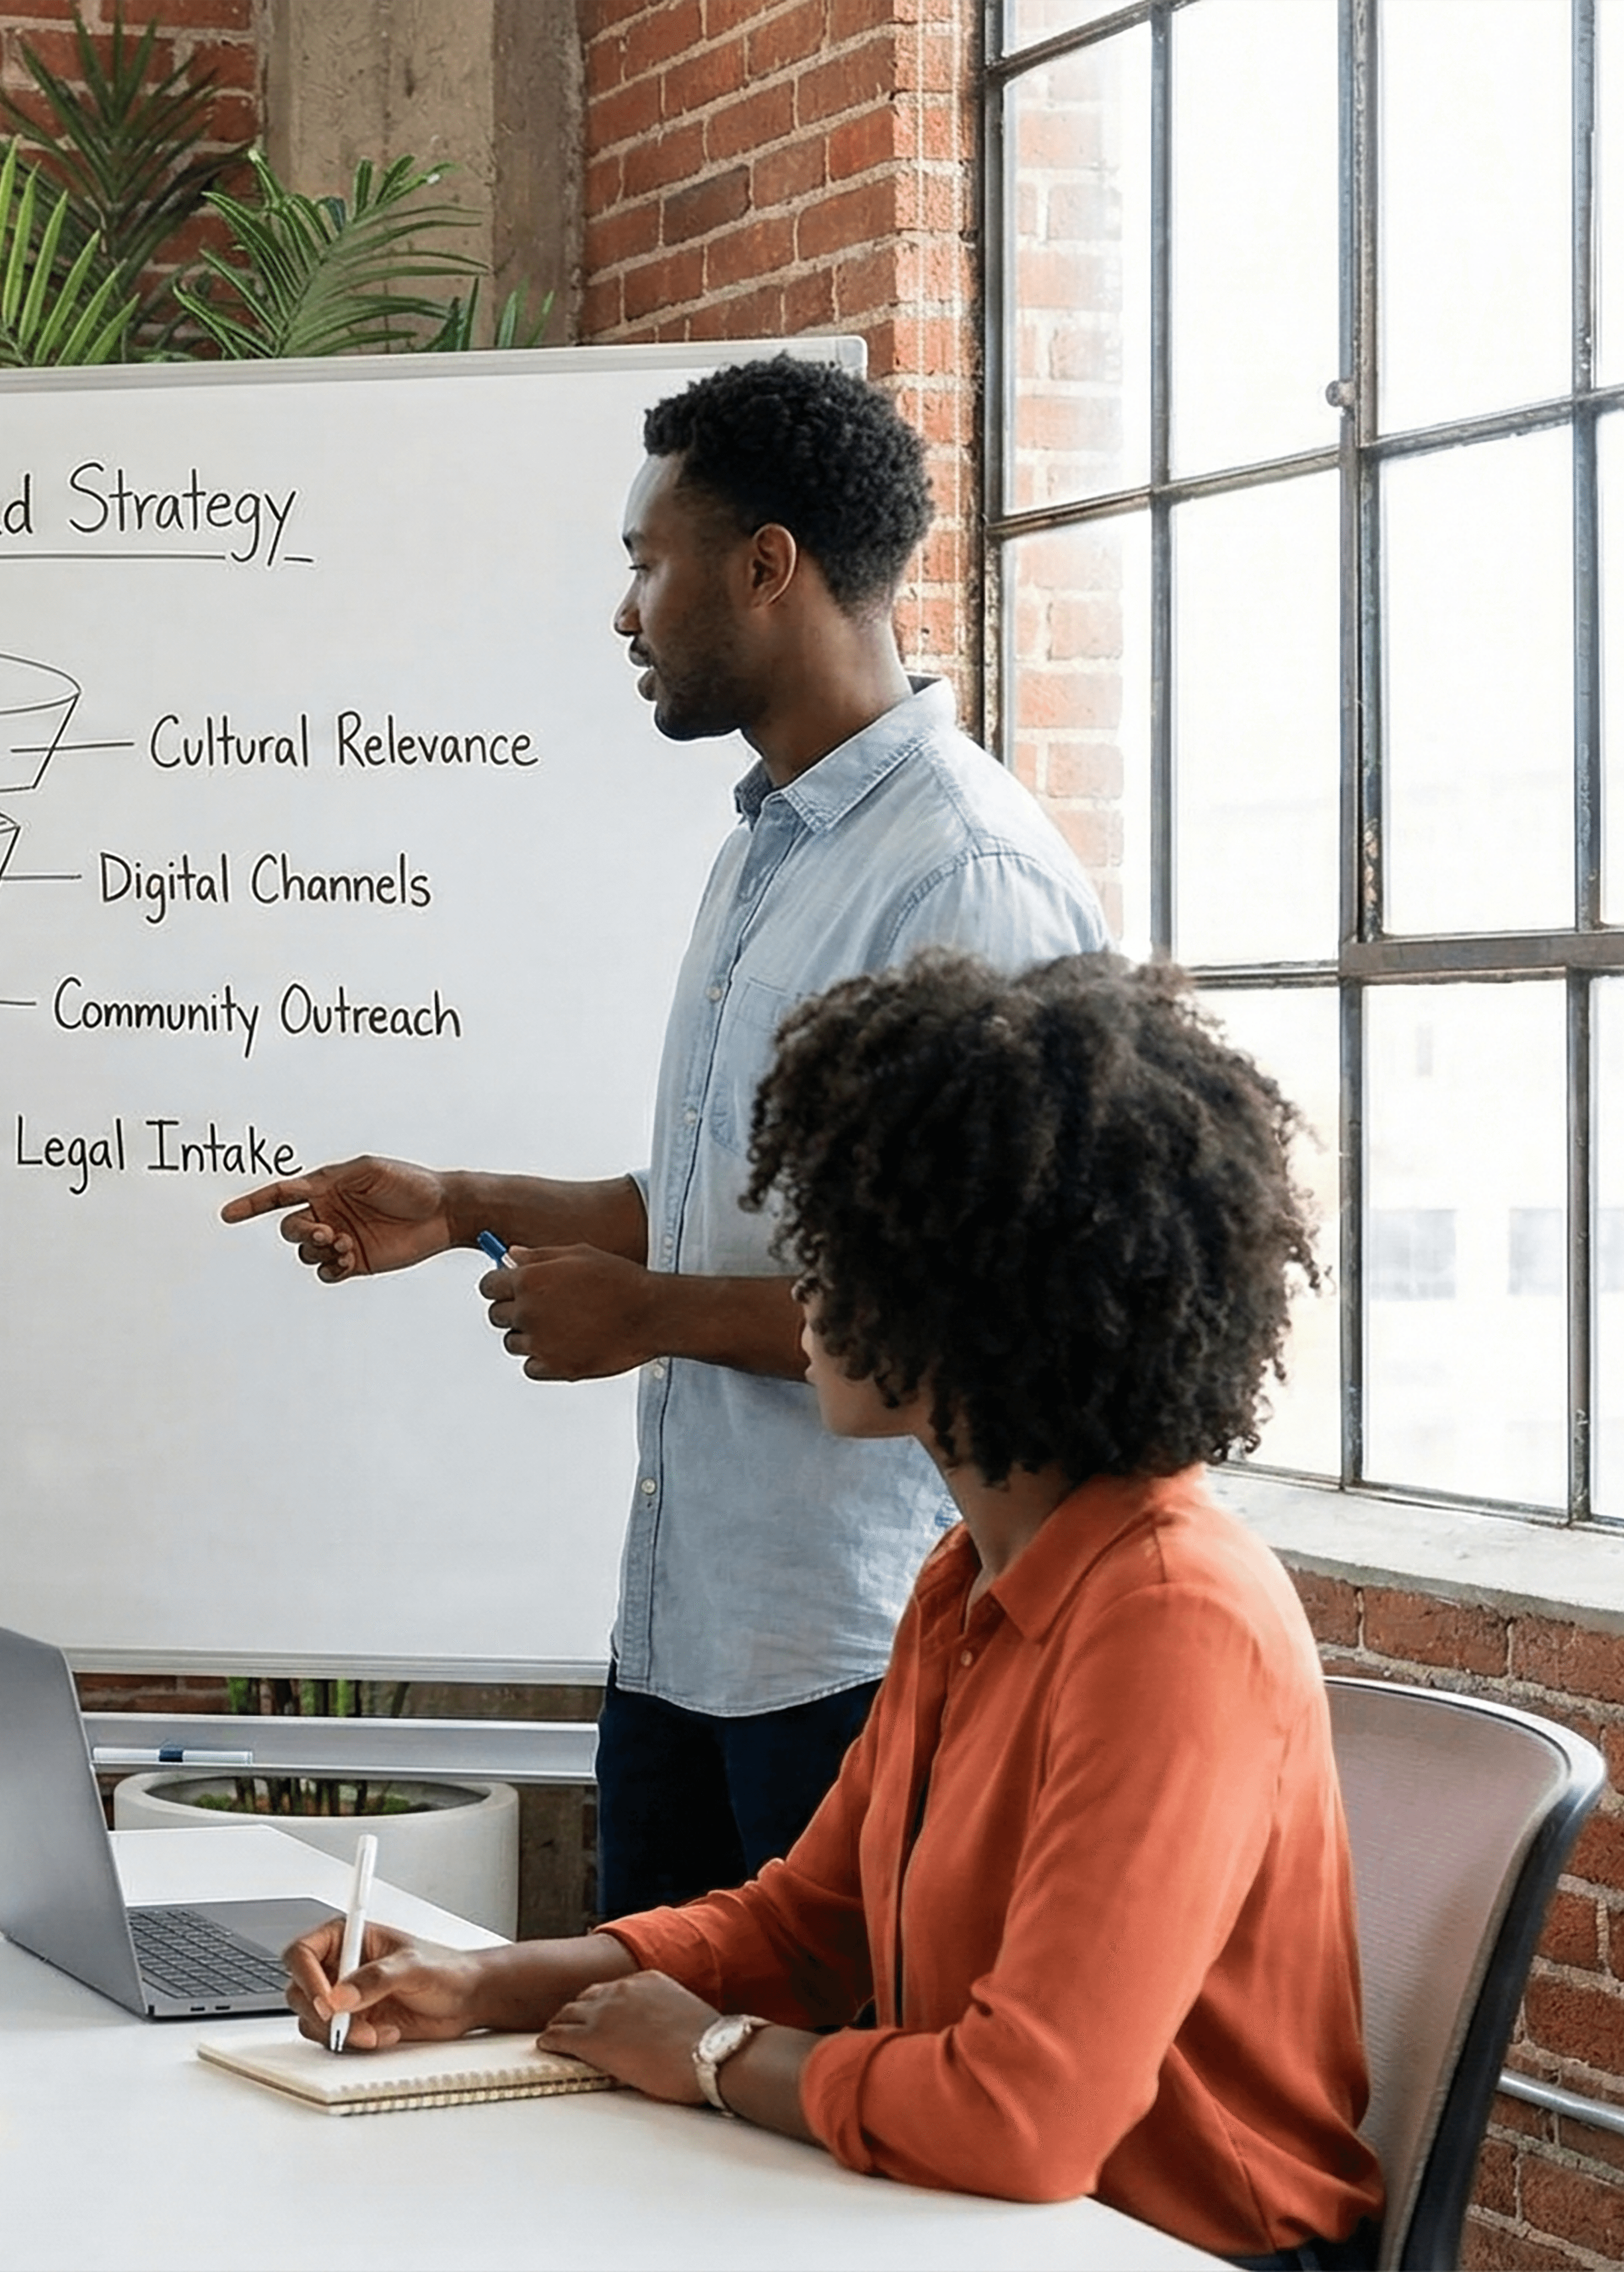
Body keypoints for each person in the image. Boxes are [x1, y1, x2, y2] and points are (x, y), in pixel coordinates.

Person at [288, 951, 1380, 2270]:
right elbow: (808, 1926)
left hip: (1167, 2246)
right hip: (973, 2225)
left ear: (985, 1296)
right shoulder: (965, 1576)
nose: (807, 1283)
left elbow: (1024, 2117)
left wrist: (705, 2052)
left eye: (847, 1240)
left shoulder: (1171, 1617)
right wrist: (488, 1983)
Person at [224, 355, 1110, 1914]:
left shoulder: (956, 877)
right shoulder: (766, 847)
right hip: (686, 1643)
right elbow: (730, 1210)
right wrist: (461, 1200)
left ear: (763, 566)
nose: (623, 611)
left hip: (852, 1659)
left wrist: (646, 1322)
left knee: (802, 2125)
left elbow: (985, 1320)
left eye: (646, 560)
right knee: (642, 2101)